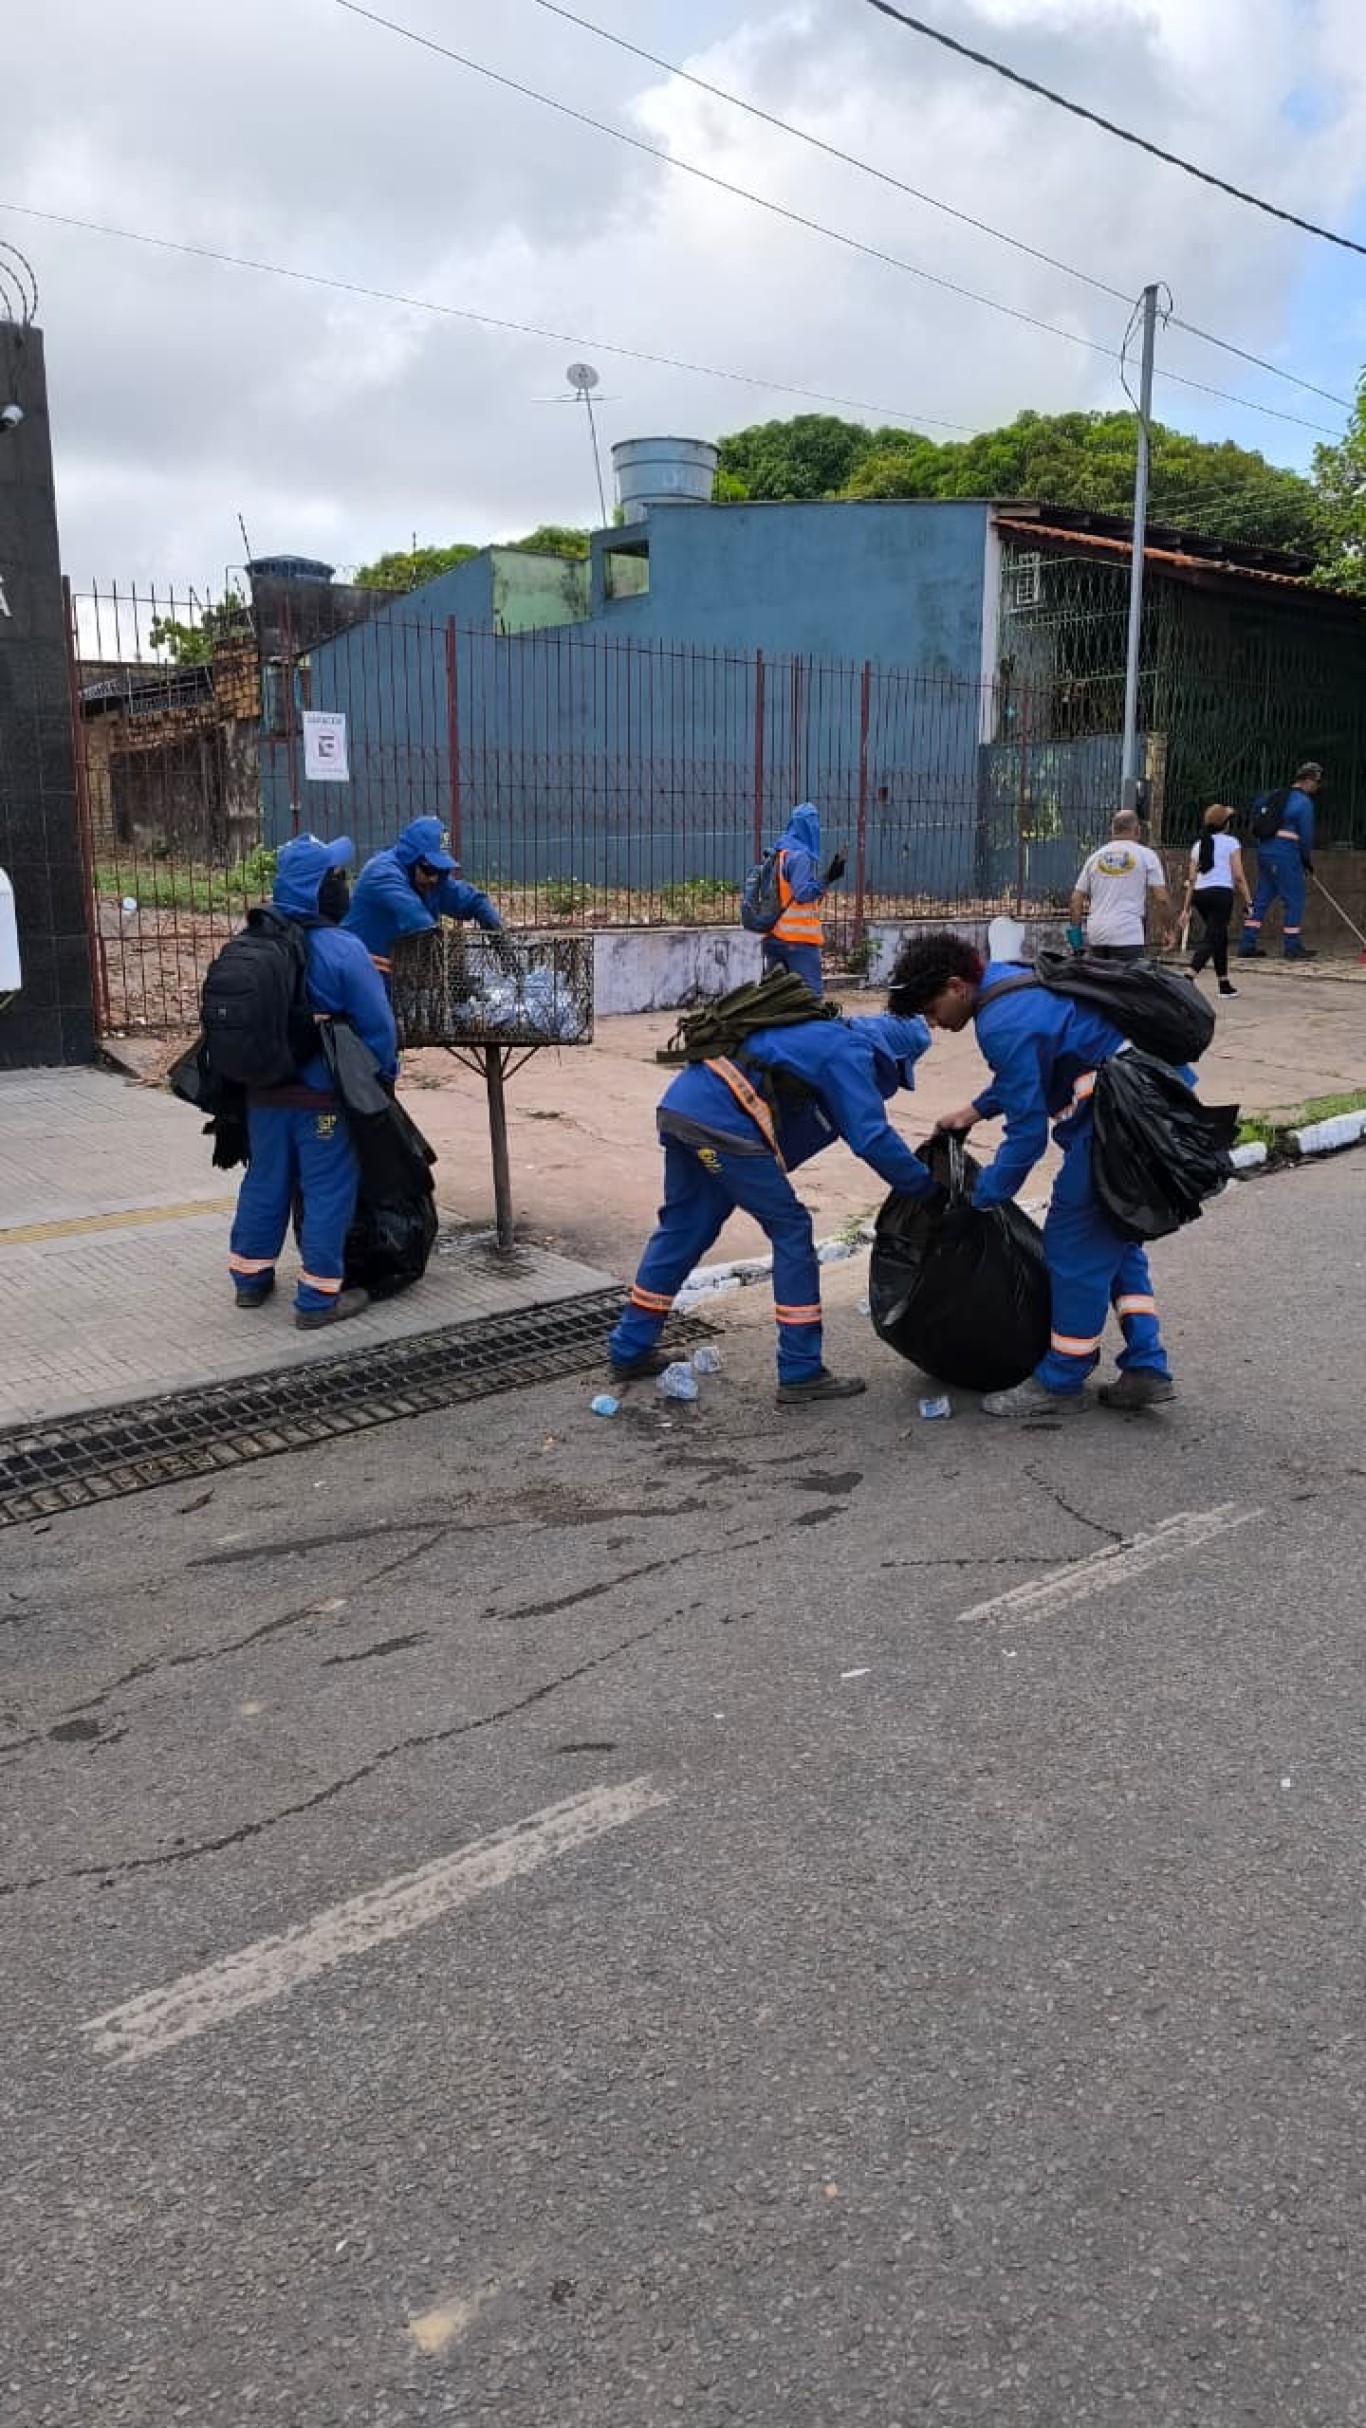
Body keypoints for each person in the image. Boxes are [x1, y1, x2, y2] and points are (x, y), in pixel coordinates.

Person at [888, 930, 1176, 1417]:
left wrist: (982, 1199)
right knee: (1114, 1236)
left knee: (1072, 1243)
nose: (933, 1023)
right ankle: (1146, 1365)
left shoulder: (999, 1021)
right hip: (1150, 1106)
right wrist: (974, 1112)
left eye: (932, 1010)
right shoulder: (1009, 979)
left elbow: (1026, 1139)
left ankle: (1062, 1378)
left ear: (957, 986)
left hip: (1117, 1125)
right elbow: (1027, 1072)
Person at [607, 1009, 936, 1404]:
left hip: (684, 1108)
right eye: (899, 1075)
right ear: (892, 1058)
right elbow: (872, 1138)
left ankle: (630, 1348)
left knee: (684, 1228)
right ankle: (800, 1370)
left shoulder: (822, 1034)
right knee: (791, 1228)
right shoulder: (850, 1052)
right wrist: (926, 1190)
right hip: (719, 1122)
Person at [228, 834, 399, 1329]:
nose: (343, 885)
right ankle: (317, 1300)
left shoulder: (249, 942)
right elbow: (378, 1029)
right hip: (321, 1100)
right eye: (337, 876)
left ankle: (250, 1280)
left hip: (261, 1095)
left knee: (265, 1181)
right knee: (327, 1191)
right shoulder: (342, 948)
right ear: (320, 887)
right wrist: (383, 1079)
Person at [344, 815, 505, 976]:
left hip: (395, 973)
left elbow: (472, 900)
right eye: (430, 869)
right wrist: (448, 972)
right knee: (442, 945)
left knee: (454, 942)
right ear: (411, 858)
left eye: (441, 870)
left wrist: (498, 935)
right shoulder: (383, 873)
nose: (434, 878)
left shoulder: (433, 881)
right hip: (359, 973)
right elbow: (418, 921)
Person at [1238, 763, 1322, 962]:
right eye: (1316, 783)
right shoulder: (1303, 802)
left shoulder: (1274, 795)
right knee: (1294, 899)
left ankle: (1247, 944)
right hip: (1285, 854)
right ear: (1308, 780)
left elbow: (1257, 811)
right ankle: (1292, 946)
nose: (1317, 787)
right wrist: (1305, 859)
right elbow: (1306, 836)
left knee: (1261, 898)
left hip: (1265, 851)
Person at [760, 803, 845, 999]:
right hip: (797, 941)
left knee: (773, 999)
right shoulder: (800, 856)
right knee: (810, 999)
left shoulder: (778, 853)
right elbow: (802, 894)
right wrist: (827, 878)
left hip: (773, 936)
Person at [1067, 809, 1173, 963]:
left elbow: (1075, 900)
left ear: (1112, 830)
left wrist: (1076, 941)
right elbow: (1162, 899)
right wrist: (1168, 930)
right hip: (1127, 935)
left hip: (1097, 935)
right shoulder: (1146, 855)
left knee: (1100, 985)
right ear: (1137, 830)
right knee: (1126, 985)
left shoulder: (1095, 858)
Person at [1179, 804, 1251, 997]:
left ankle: (1224, 983)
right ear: (1226, 824)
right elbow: (1238, 875)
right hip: (1221, 894)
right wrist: (1249, 900)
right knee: (1213, 937)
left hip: (1200, 895)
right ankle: (1187, 977)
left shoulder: (1199, 844)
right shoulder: (1231, 843)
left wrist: (1186, 909)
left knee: (1219, 936)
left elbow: (1192, 879)